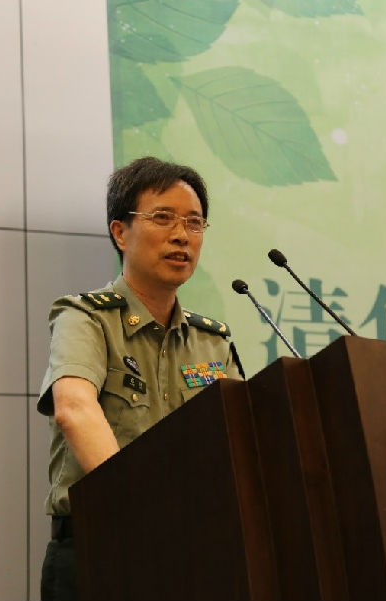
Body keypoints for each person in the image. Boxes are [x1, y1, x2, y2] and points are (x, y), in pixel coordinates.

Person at [36, 156, 243, 601]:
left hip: (196, 553)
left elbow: (241, 443)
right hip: (101, 547)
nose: (182, 235)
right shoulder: (86, 318)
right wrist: (147, 513)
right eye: (163, 217)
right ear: (120, 232)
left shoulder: (211, 342)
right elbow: (74, 410)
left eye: (194, 223)